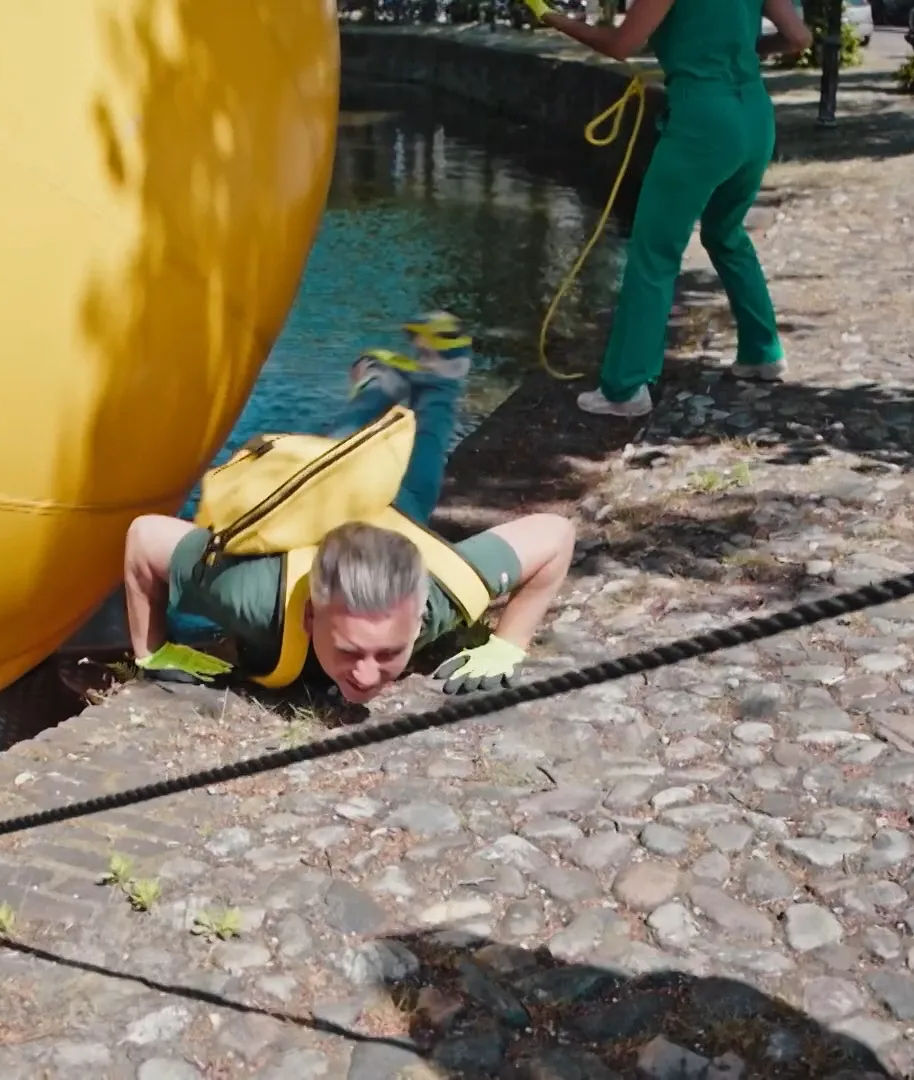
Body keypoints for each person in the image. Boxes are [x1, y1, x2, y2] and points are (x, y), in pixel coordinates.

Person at [123, 313, 577, 703]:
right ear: (308, 617)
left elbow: (556, 535)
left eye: (389, 653)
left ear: (418, 620)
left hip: (395, 510)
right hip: (317, 503)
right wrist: (153, 651)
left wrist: (510, 643)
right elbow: (144, 538)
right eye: (349, 650)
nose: (365, 676)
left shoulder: (440, 597)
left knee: (423, 448)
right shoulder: (252, 596)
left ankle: (437, 376)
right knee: (339, 448)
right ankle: (377, 383)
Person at [517, 0, 813, 420]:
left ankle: (624, 388)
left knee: (654, 252)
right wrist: (747, 50)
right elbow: (799, 37)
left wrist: (551, 18)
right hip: (754, 115)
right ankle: (762, 352)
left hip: (702, 121)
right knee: (725, 233)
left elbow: (622, 44)